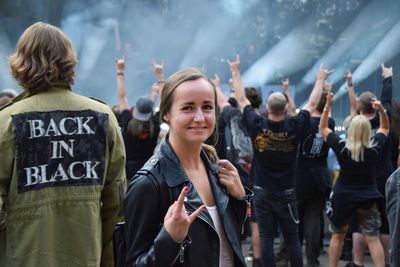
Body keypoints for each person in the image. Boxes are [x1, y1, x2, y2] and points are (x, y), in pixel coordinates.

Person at [0, 22, 126, 266]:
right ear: (69, 61)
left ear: (21, 63)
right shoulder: (102, 116)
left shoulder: (6, 122)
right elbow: (117, 206)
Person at [123, 67, 250, 266]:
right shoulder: (149, 183)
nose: (200, 117)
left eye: (207, 107)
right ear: (166, 113)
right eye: (188, 108)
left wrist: (240, 200)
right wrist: (169, 239)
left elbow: (232, 242)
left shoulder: (218, 171)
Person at [228, 54, 332, 267]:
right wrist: (320, 79)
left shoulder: (257, 125)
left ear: (267, 107)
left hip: (262, 191)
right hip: (287, 193)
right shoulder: (295, 126)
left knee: (266, 237)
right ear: (285, 110)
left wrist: (236, 72)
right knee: (292, 238)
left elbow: (240, 99)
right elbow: (312, 103)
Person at [319, 93, 388, 267]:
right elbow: (385, 129)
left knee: (337, 236)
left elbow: (323, 127)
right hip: (367, 197)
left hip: (343, 197)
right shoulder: (374, 148)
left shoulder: (341, 147)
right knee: (372, 238)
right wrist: (382, 112)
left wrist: (327, 105)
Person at [296, 82, 335, 267]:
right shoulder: (331, 122)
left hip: (301, 176)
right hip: (320, 176)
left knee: (296, 218)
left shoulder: (304, 122)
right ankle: (312, 260)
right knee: (314, 218)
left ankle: (293, 257)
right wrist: (328, 97)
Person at [115, 58, 162, 180]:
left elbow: (122, 96)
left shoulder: (127, 122)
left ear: (135, 110)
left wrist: (120, 70)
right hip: (149, 171)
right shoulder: (155, 125)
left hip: (128, 173)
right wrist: (160, 76)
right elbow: (165, 101)